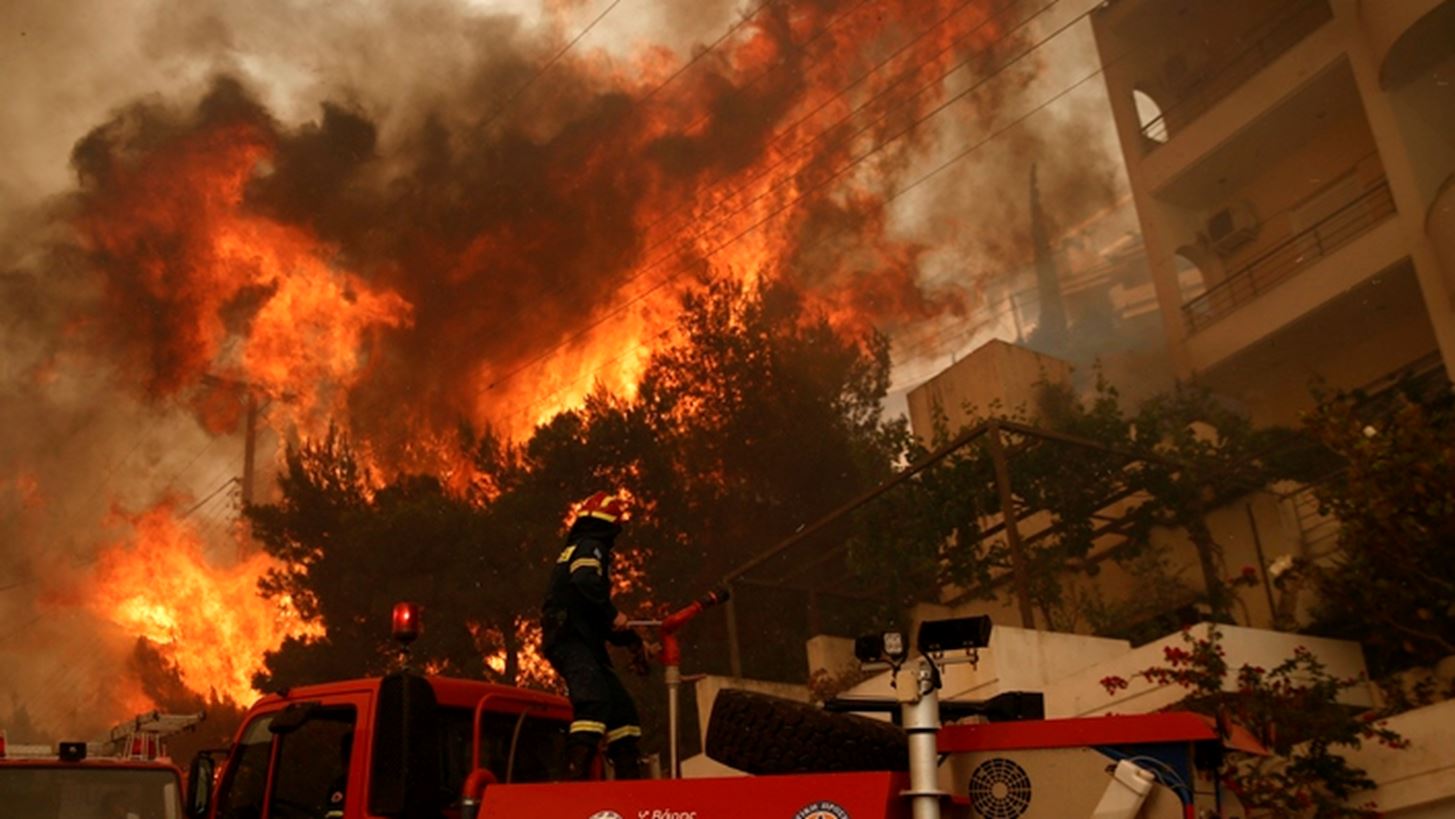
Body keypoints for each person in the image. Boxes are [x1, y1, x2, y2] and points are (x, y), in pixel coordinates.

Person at [541, 491, 655, 780]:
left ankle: (631, 789)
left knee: (623, 714)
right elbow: (586, 583)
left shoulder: (578, 547)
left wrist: (633, 640)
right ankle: (573, 782)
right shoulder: (591, 546)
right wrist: (613, 613)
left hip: (583, 639)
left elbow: (595, 613)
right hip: (570, 638)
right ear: (611, 526)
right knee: (593, 702)